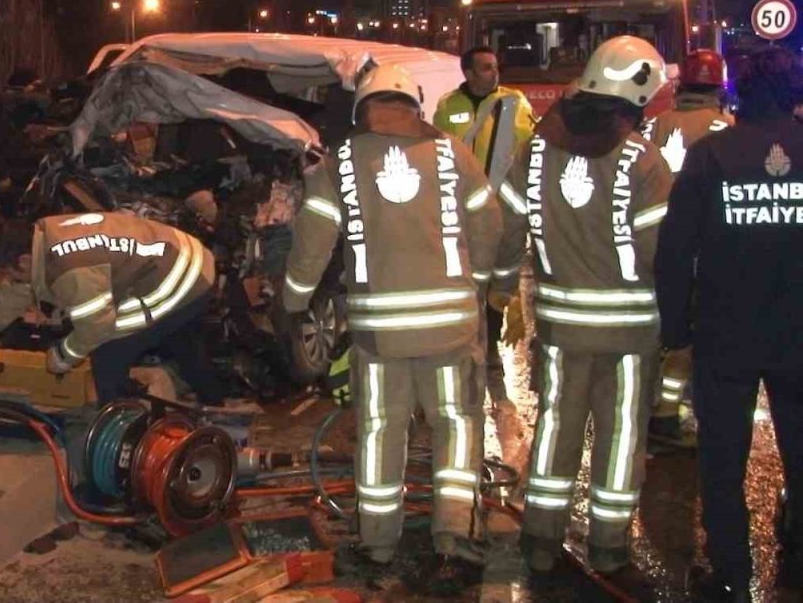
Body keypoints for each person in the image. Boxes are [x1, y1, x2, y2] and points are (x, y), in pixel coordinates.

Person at [282, 63, 501, 581]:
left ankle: (378, 543)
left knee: (381, 428)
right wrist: (482, 285)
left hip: (380, 336)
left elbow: (312, 242)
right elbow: (489, 223)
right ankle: (453, 536)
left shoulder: (339, 164)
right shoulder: (454, 153)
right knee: (455, 425)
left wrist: (292, 304)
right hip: (451, 327)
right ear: (415, 106)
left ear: (363, 106)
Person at [491, 36, 672, 585]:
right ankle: (609, 548)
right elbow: (658, 253)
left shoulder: (537, 150)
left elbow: (507, 234)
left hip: (563, 328)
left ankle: (541, 540)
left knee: (556, 430)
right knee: (620, 441)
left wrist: (500, 292)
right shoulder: (644, 161)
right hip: (630, 334)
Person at [656, 47, 803, 602]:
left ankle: (729, 576)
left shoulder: (712, 155)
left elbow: (675, 249)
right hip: (799, 331)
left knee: (721, 460)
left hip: (726, 330)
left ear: (738, 92)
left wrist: (675, 329)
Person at [0, 213, 227, 407]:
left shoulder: (69, 270)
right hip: (192, 260)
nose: (8, 279)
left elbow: (97, 327)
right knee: (177, 334)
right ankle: (214, 399)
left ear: (23, 261)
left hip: (181, 276)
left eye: (7, 272)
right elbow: (6, 301)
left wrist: (61, 357)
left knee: (109, 351)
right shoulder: (42, 239)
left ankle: (120, 432)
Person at [433, 46, 538, 409]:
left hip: (502, 205)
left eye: (496, 67)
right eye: (486, 68)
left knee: (496, 279)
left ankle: (490, 346)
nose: (494, 73)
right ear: (468, 73)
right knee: (464, 279)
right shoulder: (448, 107)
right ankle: (465, 345)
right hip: (463, 209)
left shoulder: (516, 103)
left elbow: (529, 151)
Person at [642, 48, 736, 448]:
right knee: (692, 333)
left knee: (663, 325)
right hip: (701, 244)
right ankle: (668, 414)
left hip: (653, 238)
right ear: (719, 88)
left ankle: (654, 406)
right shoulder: (725, 128)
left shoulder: (655, 125)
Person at [0, 67, 50, 217]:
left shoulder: (20, 109)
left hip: (22, 175)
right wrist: (2, 176)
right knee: (19, 220)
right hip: (12, 178)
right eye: (35, 86)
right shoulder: (7, 109)